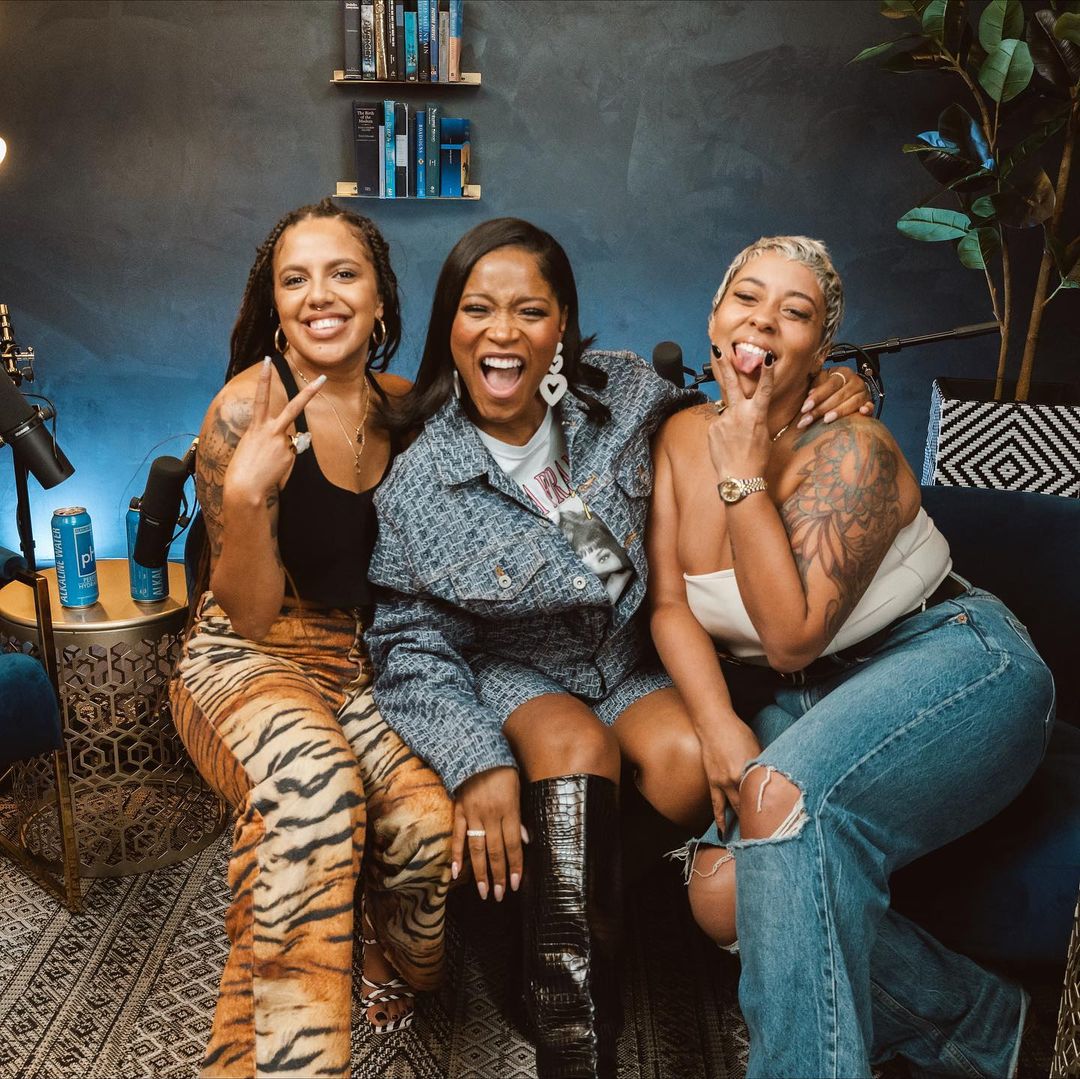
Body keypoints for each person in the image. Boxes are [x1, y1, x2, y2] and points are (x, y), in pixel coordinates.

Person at [363, 218, 872, 1078]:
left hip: (626, 656)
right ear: (450, 323)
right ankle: (573, 1032)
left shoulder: (627, 392)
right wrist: (475, 758)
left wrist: (834, 383)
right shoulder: (420, 477)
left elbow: (741, 399)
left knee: (688, 762)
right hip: (515, 669)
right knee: (576, 746)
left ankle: (541, 913)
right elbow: (408, 646)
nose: (502, 331)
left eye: (530, 310)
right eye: (478, 309)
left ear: (562, 323)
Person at [646, 235, 1054, 1077]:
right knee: (719, 892)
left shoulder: (851, 448)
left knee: (781, 800)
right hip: (813, 695)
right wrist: (716, 720)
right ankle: (988, 1027)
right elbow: (669, 604)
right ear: (715, 320)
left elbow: (790, 633)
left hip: (955, 660)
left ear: (821, 348)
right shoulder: (681, 435)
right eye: (746, 298)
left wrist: (744, 470)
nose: (764, 319)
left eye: (794, 311)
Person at [168, 199, 453, 1079]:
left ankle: (377, 941)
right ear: (277, 306)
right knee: (316, 794)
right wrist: (247, 496)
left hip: (359, 664)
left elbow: (523, 403)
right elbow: (249, 614)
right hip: (247, 656)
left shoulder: (402, 407)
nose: (319, 295)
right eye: (296, 279)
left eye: (342, 273)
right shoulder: (243, 413)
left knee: (427, 829)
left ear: (379, 299)